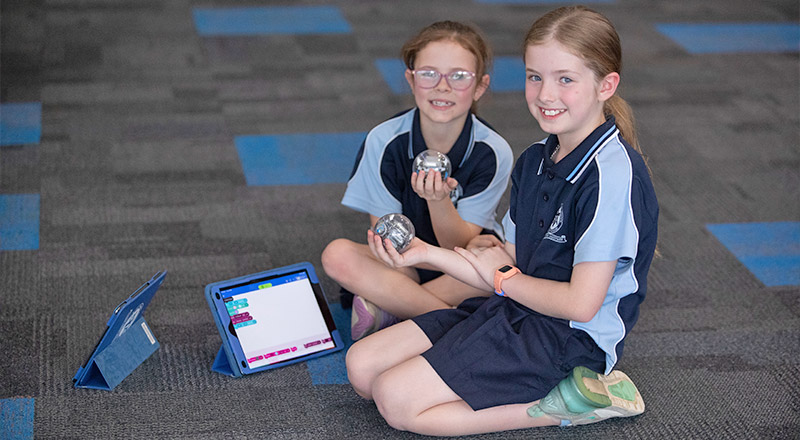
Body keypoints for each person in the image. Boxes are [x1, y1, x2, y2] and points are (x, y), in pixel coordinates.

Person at [345, 5, 658, 436]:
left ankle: (570, 404)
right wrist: (424, 254)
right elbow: (505, 259)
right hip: (514, 307)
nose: (545, 94)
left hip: (568, 340)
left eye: (565, 79)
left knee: (396, 401)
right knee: (362, 368)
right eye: (535, 77)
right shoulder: (535, 159)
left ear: (606, 85)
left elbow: (580, 305)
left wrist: (504, 279)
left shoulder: (611, 176)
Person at [322, 21, 513, 341]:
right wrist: (414, 258)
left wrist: (438, 201)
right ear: (411, 80)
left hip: (459, 262)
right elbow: (388, 243)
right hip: (402, 263)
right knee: (336, 255)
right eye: (428, 74)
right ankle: (453, 324)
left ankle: (393, 307)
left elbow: (456, 245)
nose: (442, 87)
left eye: (459, 76)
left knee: (503, 265)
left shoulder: (494, 151)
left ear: (480, 86)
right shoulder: (383, 141)